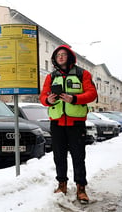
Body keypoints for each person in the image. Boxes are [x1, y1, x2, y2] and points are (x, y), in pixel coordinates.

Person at [39, 44, 98, 203]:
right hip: (57, 123)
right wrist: (48, 100)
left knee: (78, 157)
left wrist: (75, 99)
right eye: (58, 55)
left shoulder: (82, 74)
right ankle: (62, 185)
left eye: (64, 54)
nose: (61, 57)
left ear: (70, 57)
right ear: (55, 59)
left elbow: (92, 94)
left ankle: (81, 188)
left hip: (76, 123)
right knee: (59, 156)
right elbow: (43, 96)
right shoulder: (50, 77)